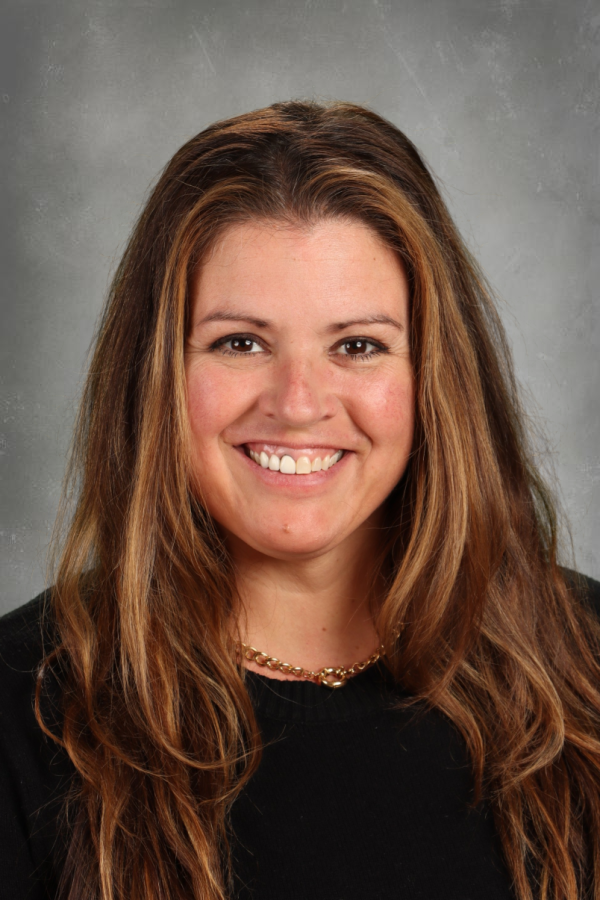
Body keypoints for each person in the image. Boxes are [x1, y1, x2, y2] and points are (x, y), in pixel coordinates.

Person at [1, 99, 599, 900]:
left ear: (434, 379)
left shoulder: (585, 667)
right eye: (239, 342)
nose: (298, 401)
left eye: (358, 346)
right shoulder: (23, 707)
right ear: (155, 377)